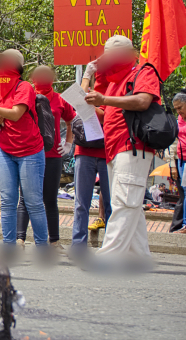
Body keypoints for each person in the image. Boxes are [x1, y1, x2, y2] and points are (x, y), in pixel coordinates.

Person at [84, 35, 160, 268]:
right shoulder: (113, 81)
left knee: (123, 201)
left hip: (133, 145)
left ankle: (109, 256)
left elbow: (143, 101)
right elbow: (101, 110)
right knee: (130, 201)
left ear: (132, 54)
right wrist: (87, 75)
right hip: (114, 146)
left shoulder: (142, 72)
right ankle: (139, 256)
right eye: (107, 53)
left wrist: (104, 98)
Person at [0, 49, 48, 252]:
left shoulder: (24, 86)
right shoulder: (0, 91)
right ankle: (9, 246)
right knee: (7, 200)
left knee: (33, 201)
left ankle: (43, 247)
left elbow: (17, 114)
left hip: (30, 151)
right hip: (6, 150)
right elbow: (1, 122)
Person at [16, 65, 75, 251]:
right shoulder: (27, 96)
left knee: (50, 198)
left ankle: (54, 240)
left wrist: (68, 143)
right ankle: (20, 240)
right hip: (30, 152)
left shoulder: (59, 99)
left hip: (53, 154)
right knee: (25, 197)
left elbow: (71, 119)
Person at [71, 62, 112, 255]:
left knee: (112, 203)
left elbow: (105, 116)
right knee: (81, 202)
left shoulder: (113, 94)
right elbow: (76, 99)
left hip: (107, 153)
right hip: (85, 151)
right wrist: (86, 76)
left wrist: (87, 104)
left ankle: (111, 245)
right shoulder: (91, 92)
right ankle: (78, 245)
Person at [168, 92, 186, 233]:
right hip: (180, 160)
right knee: (183, 192)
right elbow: (174, 143)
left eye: (180, 107)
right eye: (176, 109)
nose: (178, 111)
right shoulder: (178, 119)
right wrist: (172, 165)